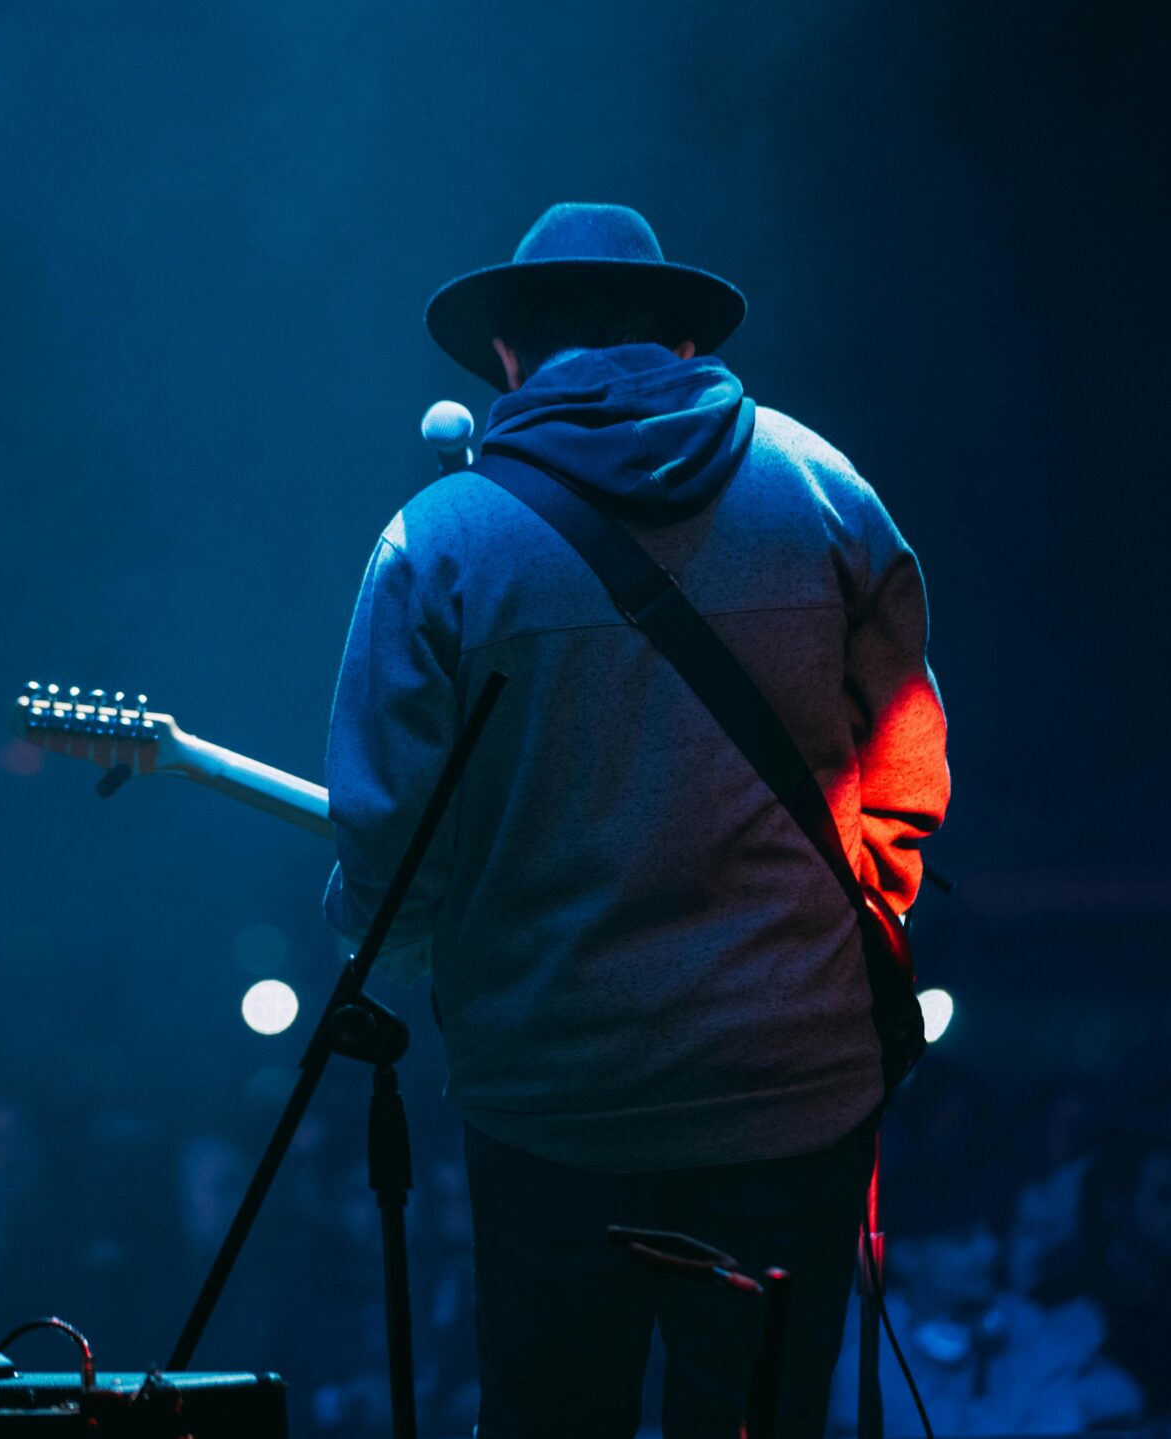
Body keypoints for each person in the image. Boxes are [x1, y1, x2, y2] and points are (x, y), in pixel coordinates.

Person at [324, 202, 950, 1438]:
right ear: (675, 336)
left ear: (509, 354)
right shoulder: (822, 487)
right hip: (791, 1087)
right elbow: (909, 763)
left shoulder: (436, 541)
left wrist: (447, 964)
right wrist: (834, 932)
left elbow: (390, 850)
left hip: (551, 1102)